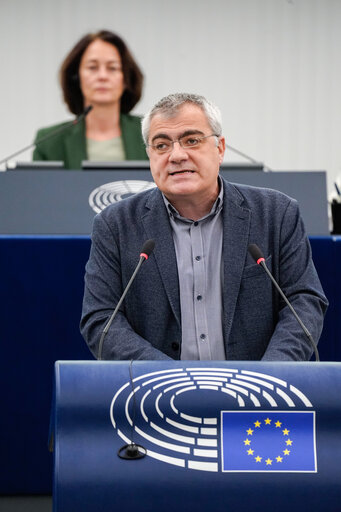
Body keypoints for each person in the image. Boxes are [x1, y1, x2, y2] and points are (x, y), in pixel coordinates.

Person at [80, 92, 328, 361]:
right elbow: (101, 318)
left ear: (220, 148)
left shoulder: (276, 213)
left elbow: (303, 302)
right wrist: (165, 378)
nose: (176, 155)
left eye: (192, 140)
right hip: (158, 396)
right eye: (161, 145)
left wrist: (268, 376)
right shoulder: (115, 224)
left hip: (254, 396)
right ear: (149, 155)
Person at [33, 30, 148, 168]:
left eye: (112, 68)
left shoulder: (151, 134)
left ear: (125, 79)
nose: (102, 76)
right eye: (92, 67)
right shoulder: (50, 142)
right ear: (76, 77)